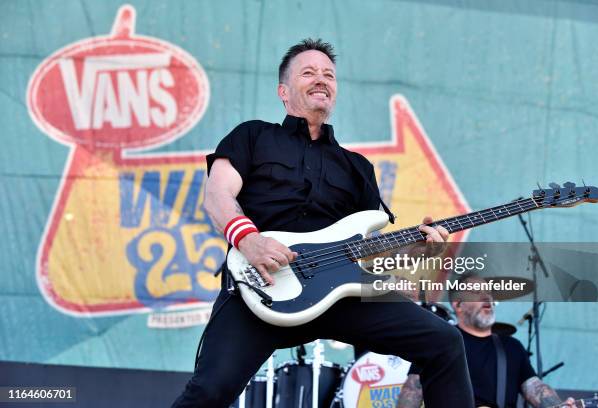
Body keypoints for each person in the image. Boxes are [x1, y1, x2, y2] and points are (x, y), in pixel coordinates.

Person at [172, 38, 474, 408]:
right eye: (309, 72)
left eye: (329, 74)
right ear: (283, 91)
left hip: (338, 295)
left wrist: (414, 250)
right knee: (209, 391)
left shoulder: (356, 167)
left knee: (443, 341)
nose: (322, 79)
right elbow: (217, 195)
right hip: (260, 284)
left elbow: (370, 255)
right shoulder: (252, 136)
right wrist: (249, 240)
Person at [398, 274, 576, 408]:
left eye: (488, 293)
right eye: (476, 292)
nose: (486, 297)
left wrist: (558, 405)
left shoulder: (511, 347)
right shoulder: (439, 344)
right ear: (458, 304)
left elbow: (534, 388)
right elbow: (413, 391)